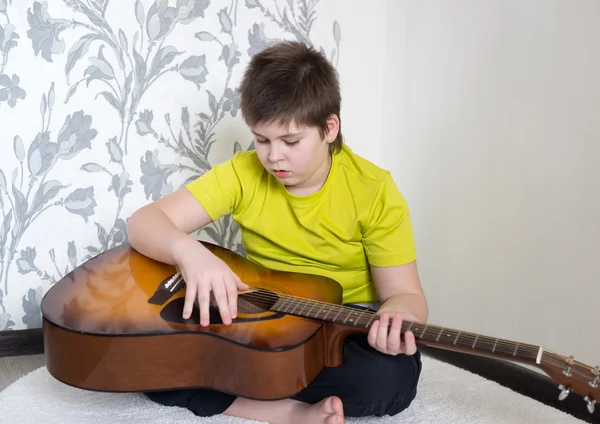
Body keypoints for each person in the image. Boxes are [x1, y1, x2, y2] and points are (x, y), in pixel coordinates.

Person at [126, 40, 428, 424]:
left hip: (342, 326)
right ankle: (281, 410)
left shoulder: (374, 190)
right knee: (143, 355)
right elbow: (144, 222)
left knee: (392, 378)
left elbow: (405, 294)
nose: (273, 157)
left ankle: (251, 385)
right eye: (262, 139)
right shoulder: (244, 172)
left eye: (291, 141)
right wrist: (191, 253)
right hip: (265, 320)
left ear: (329, 127)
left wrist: (396, 319)